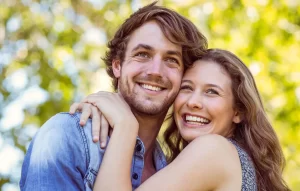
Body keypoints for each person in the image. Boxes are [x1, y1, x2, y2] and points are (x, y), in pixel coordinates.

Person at [19, 2, 207, 190]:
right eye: (142, 54)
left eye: (171, 60)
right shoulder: (65, 136)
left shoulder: (173, 171)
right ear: (117, 66)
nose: (155, 71)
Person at [75, 49, 290, 191]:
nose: (193, 102)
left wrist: (126, 125)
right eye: (187, 88)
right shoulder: (233, 160)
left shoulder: (214, 150)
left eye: (212, 92)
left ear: (238, 111)